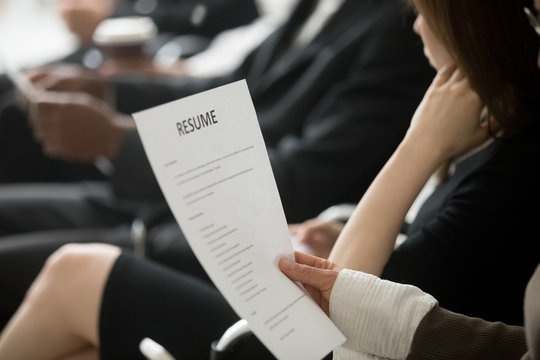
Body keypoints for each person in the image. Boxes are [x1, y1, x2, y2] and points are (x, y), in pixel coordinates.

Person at [0, 0, 434, 358]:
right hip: (171, 201)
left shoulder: (399, 28)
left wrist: (117, 141)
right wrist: (108, 90)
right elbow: (231, 90)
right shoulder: (326, 8)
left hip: (215, 238)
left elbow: (300, 183)